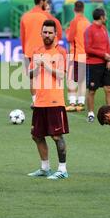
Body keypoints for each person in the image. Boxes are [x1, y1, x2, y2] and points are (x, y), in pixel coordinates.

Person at [27, 19, 69, 180]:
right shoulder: (36, 50)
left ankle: (62, 169)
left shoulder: (61, 52)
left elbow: (61, 75)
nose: (47, 35)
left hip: (54, 101)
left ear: (55, 34)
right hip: (39, 101)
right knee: (36, 135)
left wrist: (46, 64)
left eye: (50, 32)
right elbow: (30, 74)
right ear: (41, 33)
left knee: (57, 136)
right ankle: (45, 168)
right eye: (45, 32)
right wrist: (37, 66)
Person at [20, 0, 62, 108]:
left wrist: (25, 51)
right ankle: (47, 100)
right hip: (44, 50)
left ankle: (35, 101)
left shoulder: (25, 16)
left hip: (29, 50)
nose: (47, 4)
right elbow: (58, 30)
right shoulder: (46, 15)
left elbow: (22, 36)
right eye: (47, 2)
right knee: (48, 76)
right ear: (42, 2)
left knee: (32, 77)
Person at [84, 8, 110, 123]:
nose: (106, 18)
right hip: (93, 65)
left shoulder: (104, 29)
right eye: (105, 16)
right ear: (101, 17)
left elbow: (108, 46)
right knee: (92, 90)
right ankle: (91, 113)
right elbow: (88, 48)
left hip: (105, 64)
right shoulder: (89, 30)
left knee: (109, 89)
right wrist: (103, 55)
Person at [65, 1, 90, 112]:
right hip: (85, 55)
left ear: (74, 9)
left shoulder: (74, 22)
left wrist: (67, 32)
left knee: (71, 80)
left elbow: (70, 39)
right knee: (82, 80)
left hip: (75, 54)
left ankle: (72, 102)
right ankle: (81, 103)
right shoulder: (87, 22)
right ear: (83, 9)